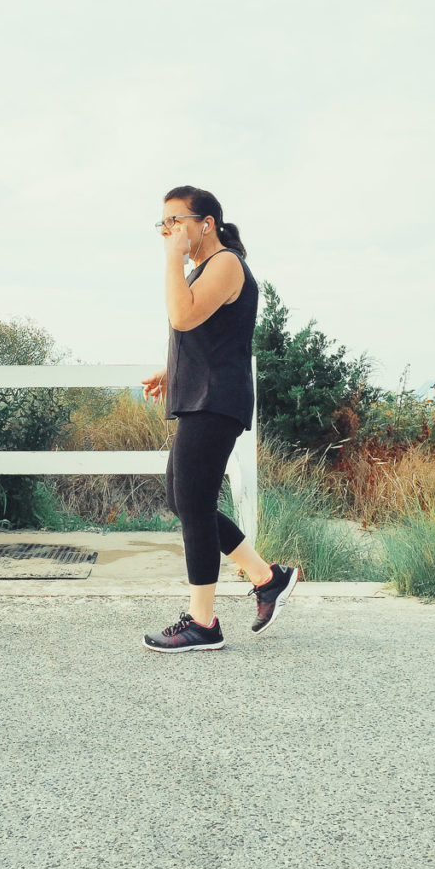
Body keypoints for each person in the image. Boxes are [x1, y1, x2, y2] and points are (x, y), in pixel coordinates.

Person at [140, 185, 299, 653]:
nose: (168, 231)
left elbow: (184, 317)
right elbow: (211, 333)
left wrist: (172, 260)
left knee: (192, 502)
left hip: (216, 400)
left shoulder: (225, 263)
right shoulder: (206, 269)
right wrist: (171, 369)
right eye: (162, 224)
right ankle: (266, 577)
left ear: (205, 223)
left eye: (176, 221)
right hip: (199, 395)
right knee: (183, 499)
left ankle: (203, 623)